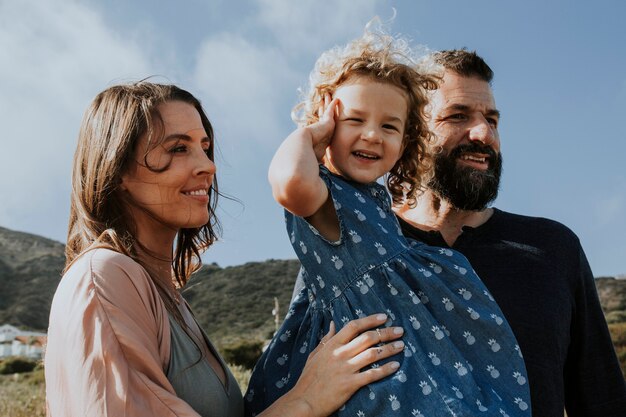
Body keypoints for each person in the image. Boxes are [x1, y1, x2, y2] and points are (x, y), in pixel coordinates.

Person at [44, 82, 406, 417]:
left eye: (204, 148)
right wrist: (306, 399)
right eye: (178, 148)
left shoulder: (166, 297)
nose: (207, 166)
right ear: (117, 168)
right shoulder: (104, 277)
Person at [245, 30, 531, 417]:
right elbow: (289, 182)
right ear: (327, 121)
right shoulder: (323, 194)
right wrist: (313, 132)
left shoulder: (373, 200)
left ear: (406, 142)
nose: (371, 135)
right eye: (354, 120)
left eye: (389, 127)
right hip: (367, 363)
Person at [392, 50, 626, 416]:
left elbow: (603, 402)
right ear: (410, 131)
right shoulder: (363, 245)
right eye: (458, 116)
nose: (484, 134)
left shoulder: (552, 249)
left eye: (492, 120)